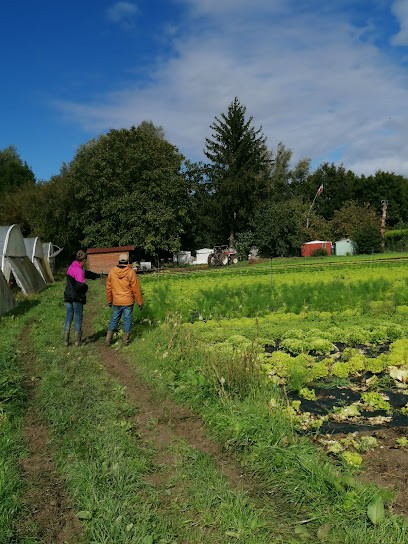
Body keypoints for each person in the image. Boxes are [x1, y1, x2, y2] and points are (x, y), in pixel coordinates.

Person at [63, 250, 100, 346]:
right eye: (86, 260)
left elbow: (85, 273)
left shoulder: (71, 267)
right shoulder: (79, 271)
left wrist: (95, 275)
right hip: (76, 297)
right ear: (83, 260)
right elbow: (80, 286)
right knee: (78, 317)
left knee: (68, 317)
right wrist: (86, 287)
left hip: (68, 296)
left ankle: (66, 341)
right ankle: (77, 341)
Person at [105, 253, 143, 346]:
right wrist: (140, 302)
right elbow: (136, 289)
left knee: (114, 319)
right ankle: (125, 341)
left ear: (119, 261)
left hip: (116, 301)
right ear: (127, 261)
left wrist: (109, 300)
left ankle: (108, 340)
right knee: (127, 320)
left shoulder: (112, 271)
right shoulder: (131, 272)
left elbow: (108, 288)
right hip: (128, 302)